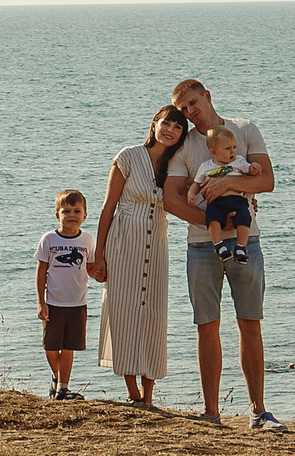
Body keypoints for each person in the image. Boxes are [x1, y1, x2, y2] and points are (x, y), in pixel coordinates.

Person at [163, 77, 283, 430]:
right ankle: (211, 412)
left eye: (194, 103)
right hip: (202, 246)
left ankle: (258, 412)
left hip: (248, 242)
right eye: (184, 108)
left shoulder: (244, 130)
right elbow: (171, 197)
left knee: (250, 322)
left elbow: (266, 181)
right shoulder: (184, 147)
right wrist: (213, 219)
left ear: (207, 96)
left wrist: (228, 183)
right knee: (206, 326)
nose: (190, 111)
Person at [92, 104, 184, 405]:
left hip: (156, 243)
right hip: (124, 243)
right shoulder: (128, 157)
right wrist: (99, 255)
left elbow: (202, 186)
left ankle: (149, 396)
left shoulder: (177, 165)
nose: (171, 130)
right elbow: (108, 208)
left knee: (154, 318)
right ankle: (133, 393)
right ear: (154, 124)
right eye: (166, 124)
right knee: (124, 315)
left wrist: (242, 201)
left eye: (178, 127)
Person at [36, 190, 95, 399]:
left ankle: (63, 388)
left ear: (85, 216)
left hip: (78, 303)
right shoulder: (49, 239)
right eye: (66, 211)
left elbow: (91, 267)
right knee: (51, 347)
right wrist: (41, 302)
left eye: (77, 211)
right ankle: (55, 375)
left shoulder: (88, 240)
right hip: (53, 302)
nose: (71, 215)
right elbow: (41, 271)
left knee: (69, 347)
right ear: (57, 215)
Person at [190, 126, 254, 261]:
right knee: (212, 219)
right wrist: (191, 193)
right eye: (227, 149)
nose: (233, 152)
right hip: (217, 201)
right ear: (213, 151)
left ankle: (241, 246)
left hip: (237, 200)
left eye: (234, 147)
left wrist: (254, 168)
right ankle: (218, 245)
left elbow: (250, 171)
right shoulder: (206, 166)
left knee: (244, 218)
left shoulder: (239, 162)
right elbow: (197, 182)